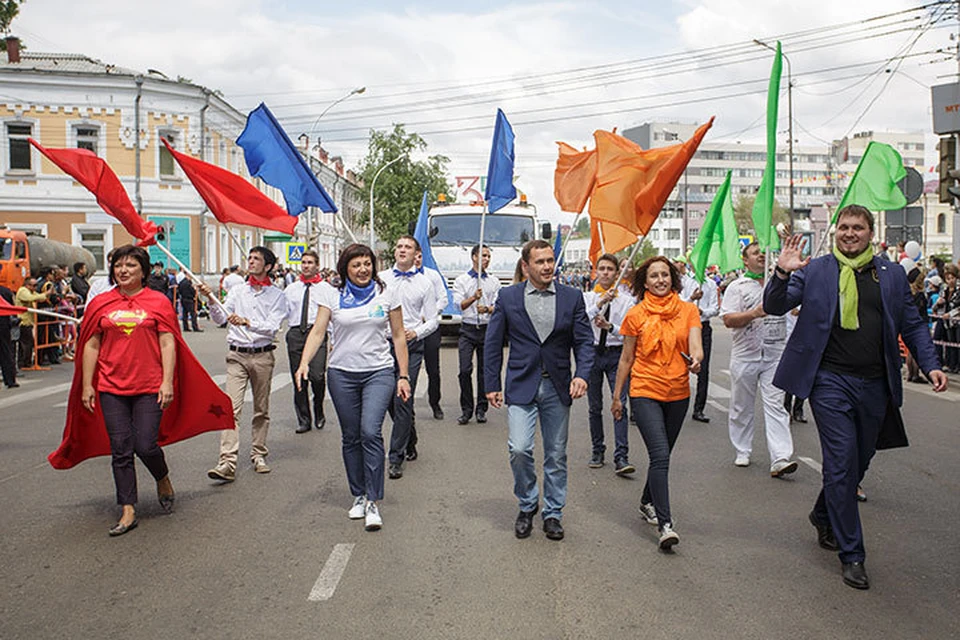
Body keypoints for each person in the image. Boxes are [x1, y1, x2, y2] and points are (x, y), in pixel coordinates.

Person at [765, 205, 947, 590]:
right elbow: (774, 305)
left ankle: (822, 513)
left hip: (876, 384)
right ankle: (853, 554)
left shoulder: (891, 274)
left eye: (857, 228)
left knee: (858, 462)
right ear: (837, 233)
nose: (850, 233)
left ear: (869, 232)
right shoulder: (816, 270)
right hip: (830, 382)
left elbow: (911, 324)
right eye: (844, 227)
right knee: (841, 465)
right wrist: (782, 272)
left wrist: (930, 364)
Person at [295, 244, 411, 531]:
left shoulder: (387, 294)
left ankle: (373, 500)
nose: (363, 270)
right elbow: (319, 331)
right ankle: (358, 494)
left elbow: (398, 336)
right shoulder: (331, 295)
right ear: (345, 268)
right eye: (356, 265)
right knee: (350, 436)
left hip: (378, 372)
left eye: (367, 264)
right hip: (342, 374)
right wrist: (304, 362)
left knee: (370, 431)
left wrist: (404, 375)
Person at [485, 239, 594, 542]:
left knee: (556, 454)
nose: (547, 266)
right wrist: (491, 384)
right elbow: (493, 344)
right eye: (540, 262)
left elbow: (584, 342)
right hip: (521, 385)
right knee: (519, 448)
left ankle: (553, 513)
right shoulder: (508, 297)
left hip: (558, 386)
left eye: (550, 261)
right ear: (526, 266)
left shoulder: (572, 298)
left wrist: (582, 374)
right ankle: (527, 503)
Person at [78, 246, 176, 536]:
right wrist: (87, 385)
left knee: (145, 444)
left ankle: (162, 477)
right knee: (120, 448)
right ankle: (127, 509)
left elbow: (168, 342)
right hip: (111, 386)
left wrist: (167, 381)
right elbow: (91, 343)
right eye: (118, 265)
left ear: (144, 271)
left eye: (130, 265)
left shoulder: (158, 301)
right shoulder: (102, 303)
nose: (123, 270)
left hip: (149, 385)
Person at [612, 256, 702, 550]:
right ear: (645, 282)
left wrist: (697, 360)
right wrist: (617, 397)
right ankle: (665, 524)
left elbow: (696, 344)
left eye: (666, 274)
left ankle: (646, 501)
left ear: (673, 279)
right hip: (644, 389)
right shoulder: (635, 314)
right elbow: (626, 358)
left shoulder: (688, 311)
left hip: (678, 392)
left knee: (662, 457)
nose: (661, 280)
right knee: (660, 454)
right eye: (654, 276)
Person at [198, 247, 288, 481]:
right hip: (236, 355)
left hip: (262, 355)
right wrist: (210, 299)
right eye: (249, 258)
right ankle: (227, 462)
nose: (251, 262)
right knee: (231, 408)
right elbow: (220, 319)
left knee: (261, 409)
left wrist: (248, 322)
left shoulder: (277, 295)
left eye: (256, 259)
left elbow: (272, 326)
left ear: (267, 266)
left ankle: (258, 453)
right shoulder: (238, 291)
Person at [720, 242, 798, 477]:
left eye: (764, 253)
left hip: (775, 355)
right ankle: (742, 449)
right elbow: (728, 320)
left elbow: (795, 309)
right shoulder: (738, 287)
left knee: (776, 405)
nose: (761, 256)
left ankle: (780, 457)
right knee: (741, 406)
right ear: (745, 260)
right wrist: (754, 313)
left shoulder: (781, 283)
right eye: (755, 253)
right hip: (746, 355)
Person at [379, 235, 437, 479]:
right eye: (399, 246)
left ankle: (395, 457)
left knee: (403, 400)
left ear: (416, 254)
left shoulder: (425, 283)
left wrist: (417, 331)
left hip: (411, 346)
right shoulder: (380, 279)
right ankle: (409, 437)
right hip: (382, 347)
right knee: (391, 402)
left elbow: (433, 319)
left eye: (408, 247)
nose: (403, 250)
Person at [583, 253, 636, 474]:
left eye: (610, 269)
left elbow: (628, 333)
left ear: (617, 273)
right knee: (594, 406)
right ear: (596, 272)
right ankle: (598, 449)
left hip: (616, 355)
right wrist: (599, 303)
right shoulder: (586, 297)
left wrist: (610, 327)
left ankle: (621, 456)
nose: (605, 273)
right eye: (602, 269)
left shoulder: (627, 301)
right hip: (593, 353)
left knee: (619, 404)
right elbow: (580, 321)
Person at [453, 244, 501, 425]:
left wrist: (488, 309)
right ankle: (466, 409)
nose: (486, 259)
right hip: (468, 329)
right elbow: (459, 305)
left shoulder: (494, 281)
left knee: (484, 371)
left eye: (489, 256)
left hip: (487, 330)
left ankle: (481, 408)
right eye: (483, 256)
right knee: (465, 370)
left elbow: (498, 306)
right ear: (474, 257)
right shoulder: (462, 280)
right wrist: (473, 298)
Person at [284, 250, 327, 433]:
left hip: (316, 332)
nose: (306, 265)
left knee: (317, 375)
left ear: (317, 265)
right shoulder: (291, 289)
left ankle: (318, 407)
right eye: (303, 262)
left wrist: (331, 337)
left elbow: (330, 315)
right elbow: (282, 312)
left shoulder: (326, 289)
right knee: (299, 378)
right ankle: (304, 419)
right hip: (296, 334)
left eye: (310, 262)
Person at [676, 258, 718, 423]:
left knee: (703, 369)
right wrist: (692, 299)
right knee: (680, 366)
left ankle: (699, 408)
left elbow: (715, 308)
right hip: (685, 328)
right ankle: (677, 404)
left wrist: (702, 312)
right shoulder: (684, 282)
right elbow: (679, 304)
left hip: (703, 328)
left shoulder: (711, 284)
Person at [417, 251, 447, 421]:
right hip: (410, 329)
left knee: (433, 369)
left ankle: (435, 403)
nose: (416, 260)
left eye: (419, 257)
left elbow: (443, 299)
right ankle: (403, 406)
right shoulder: (401, 278)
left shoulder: (432, 276)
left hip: (429, 328)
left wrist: (429, 314)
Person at [15, 277, 51, 369]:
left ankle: (25, 362)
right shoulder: (23, 291)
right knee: (26, 343)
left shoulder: (31, 291)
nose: (35, 287)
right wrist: (45, 294)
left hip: (28, 321)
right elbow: (31, 298)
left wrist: (46, 295)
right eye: (34, 285)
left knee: (27, 343)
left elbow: (39, 298)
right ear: (27, 285)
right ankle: (23, 363)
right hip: (23, 321)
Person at [0, 284, 18, 388]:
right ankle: (10, 380)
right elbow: (12, 308)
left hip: (3, 324)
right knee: (6, 351)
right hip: (4, 325)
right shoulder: (6, 291)